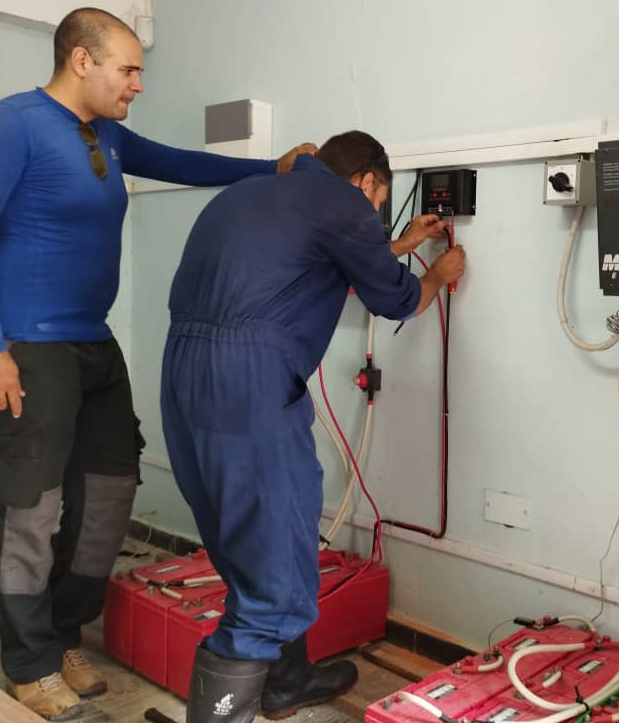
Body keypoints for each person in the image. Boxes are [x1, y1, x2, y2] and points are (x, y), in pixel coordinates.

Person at [0, 7, 314, 720]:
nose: (138, 83)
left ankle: (63, 634)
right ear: (81, 60)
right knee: (30, 509)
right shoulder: (9, 125)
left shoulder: (107, 135)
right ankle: (28, 663)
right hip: (25, 346)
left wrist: (271, 170)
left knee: (108, 494)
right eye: (128, 69)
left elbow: (183, 163)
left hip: (93, 345)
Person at [161, 130, 465, 722]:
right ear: (368, 181)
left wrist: (402, 243)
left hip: (185, 372)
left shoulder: (249, 193)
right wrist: (438, 273)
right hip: (250, 382)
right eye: (377, 203)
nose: (372, 214)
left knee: (243, 543)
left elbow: (312, 261)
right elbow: (397, 300)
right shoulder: (345, 205)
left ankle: (287, 680)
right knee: (277, 556)